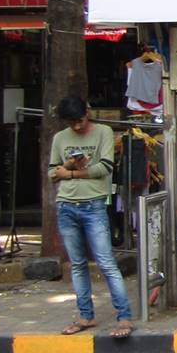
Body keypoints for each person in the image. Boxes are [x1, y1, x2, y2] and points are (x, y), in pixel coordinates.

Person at [51, 96, 135, 340]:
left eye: (80, 120)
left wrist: (70, 173)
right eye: (72, 123)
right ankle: (85, 315)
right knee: (77, 264)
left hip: (94, 204)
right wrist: (69, 165)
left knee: (106, 262)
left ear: (87, 113)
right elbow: (52, 173)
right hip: (66, 205)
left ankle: (124, 316)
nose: (77, 126)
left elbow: (104, 168)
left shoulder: (103, 132)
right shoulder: (60, 138)